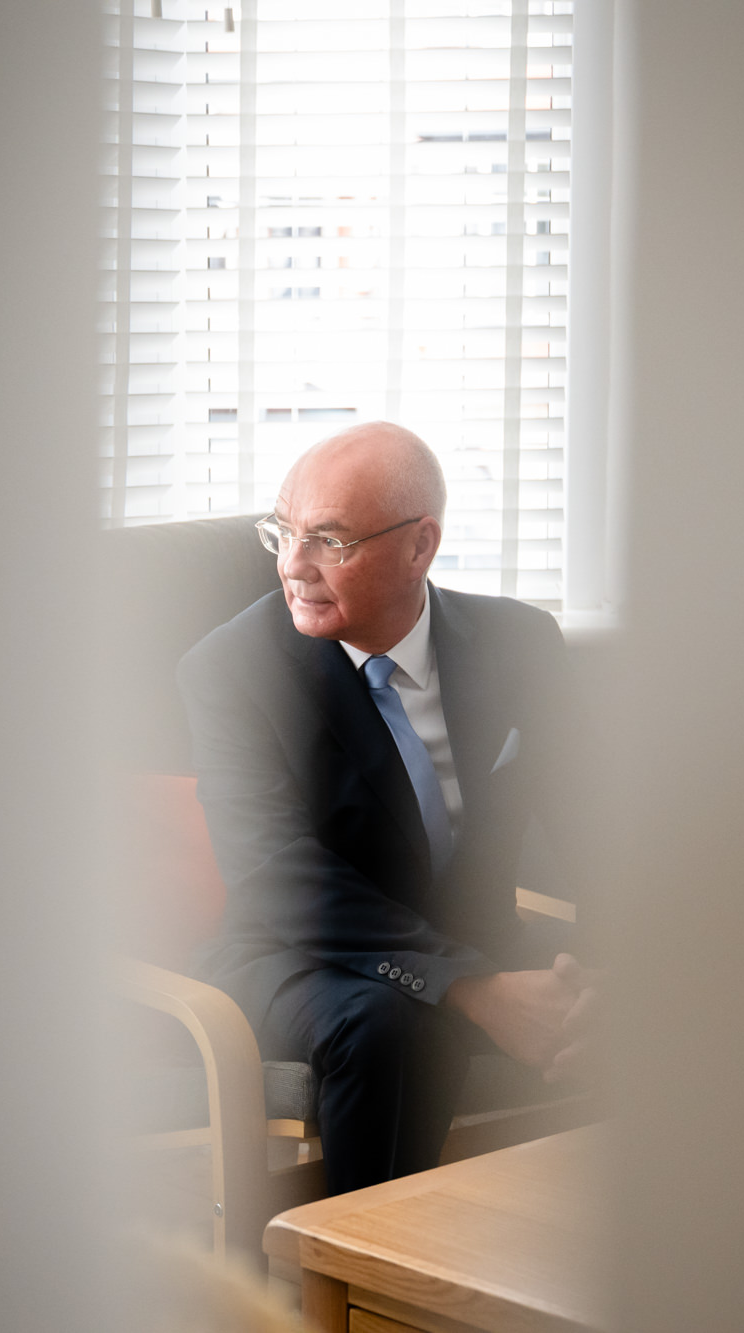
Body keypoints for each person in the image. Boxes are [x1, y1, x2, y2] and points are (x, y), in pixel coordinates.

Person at [178, 422, 598, 1193]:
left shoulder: (521, 642)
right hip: (297, 953)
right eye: (283, 531)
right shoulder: (231, 670)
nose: (291, 566)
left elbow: (596, 825)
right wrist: (475, 985)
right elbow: (279, 878)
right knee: (391, 1024)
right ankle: (360, 1293)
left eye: (328, 540)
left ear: (420, 546)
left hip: (472, 929)